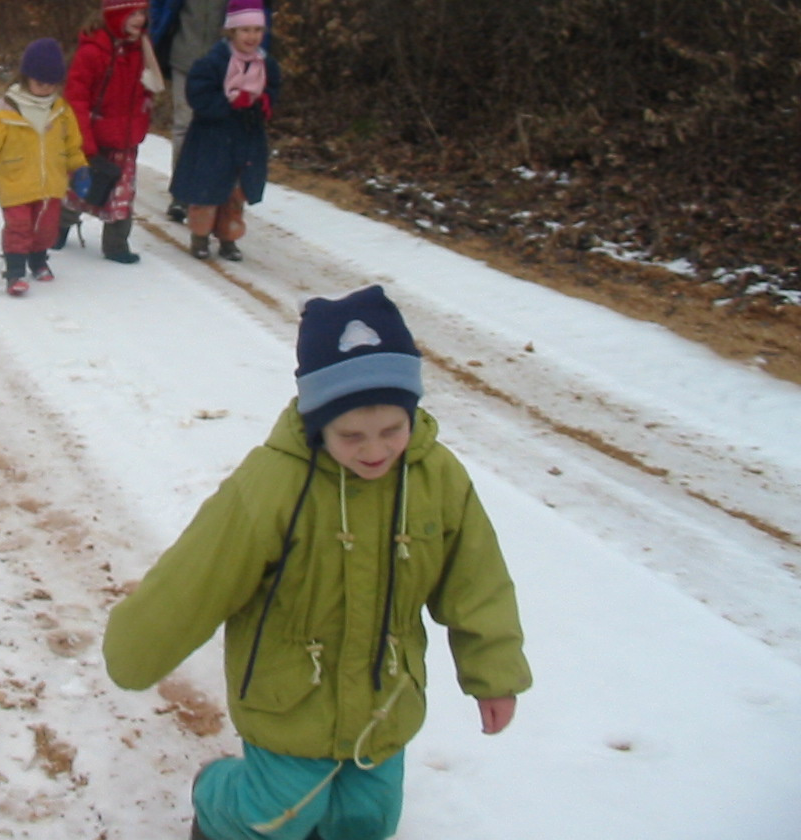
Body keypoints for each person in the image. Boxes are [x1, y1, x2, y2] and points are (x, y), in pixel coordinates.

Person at [103, 285, 530, 840]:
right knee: (274, 815)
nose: (375, 450)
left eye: (392, 430)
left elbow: (476, 580)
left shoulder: (436, 478)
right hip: (289, 699)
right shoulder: (274, 484)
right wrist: (136, 650)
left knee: (366, 822)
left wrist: (494, 676)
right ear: (317, 421)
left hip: (386, 699)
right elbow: (198, 575)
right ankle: (215, 795)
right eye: (351, 435)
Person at [149, 0, 273, 223]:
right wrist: (157, 35)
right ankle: (183, 192)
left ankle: (219, 197)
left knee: (226, 131)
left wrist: (260, 55)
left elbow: (262, 10)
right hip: (184, 52)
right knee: (184, 126)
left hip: (230, 60)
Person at [55, 0, 165, 264]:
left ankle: (116, 245)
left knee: (123, 195)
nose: (139, 20)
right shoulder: (93, 52)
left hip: (125, 138)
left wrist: (144, 110)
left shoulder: (140, 49)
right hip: (95, 135)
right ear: (116, 15)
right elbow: (76, 99)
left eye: (142, 13)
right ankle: (58, 228)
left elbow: (145, 88)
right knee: (81, 189)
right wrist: (84, 143)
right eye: (133, 14)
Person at [0, 38, 92, 297]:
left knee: (46, 227)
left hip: (51, 183)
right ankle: (14, 270)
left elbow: (72, 144)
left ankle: (38, 259)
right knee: (19, 226)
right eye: (39, 83)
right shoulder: (5, 112)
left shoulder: (61, 111)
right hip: (15, 181)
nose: (45, 90)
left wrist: (79, 168)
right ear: (26, 78)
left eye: (51, 85)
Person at [170, 0, 280, 261]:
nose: (252, 37)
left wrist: (265, 101)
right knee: (207, 192)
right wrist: (229, 103)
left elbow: (274, 87)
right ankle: (200, 236)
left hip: (246, 139)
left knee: (235, 195)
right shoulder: (213, 63)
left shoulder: (265, 64)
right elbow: (198, 95)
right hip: (213, 139)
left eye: (257, 30)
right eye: (245, 30)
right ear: (231, 32)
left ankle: (229, 238)